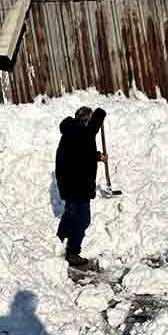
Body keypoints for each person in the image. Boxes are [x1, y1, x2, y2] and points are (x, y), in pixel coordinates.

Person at [54, 106, 108, 267]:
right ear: (86, 120)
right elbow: (89, 134)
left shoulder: (72, 132)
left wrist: (97, 156)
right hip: (78, 184)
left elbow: (81, 153)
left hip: (71, 182)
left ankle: (59, 239)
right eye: (89, 119)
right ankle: (72, 252)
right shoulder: (80, 131)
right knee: (83, 219)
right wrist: (100, 115)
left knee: (71, 213)